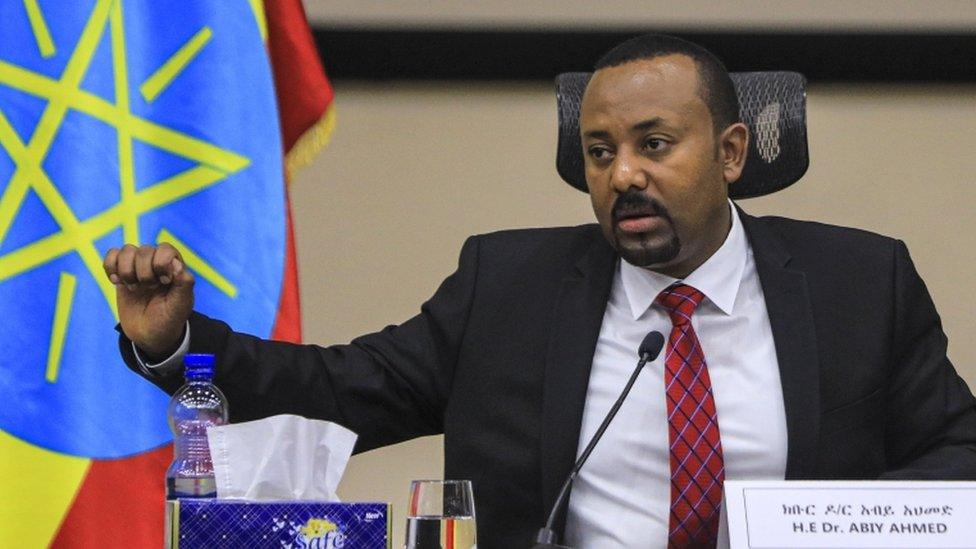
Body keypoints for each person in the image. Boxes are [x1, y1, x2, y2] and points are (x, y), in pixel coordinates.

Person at [104, 34, 976, 548]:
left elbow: (956, 456)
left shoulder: (859, 282)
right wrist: (173, 342)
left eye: (654, 143)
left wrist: (844, 526)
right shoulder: (508, 287)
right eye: (600, 152)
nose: (623, 174)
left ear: (733, 154)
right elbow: (335, 390)